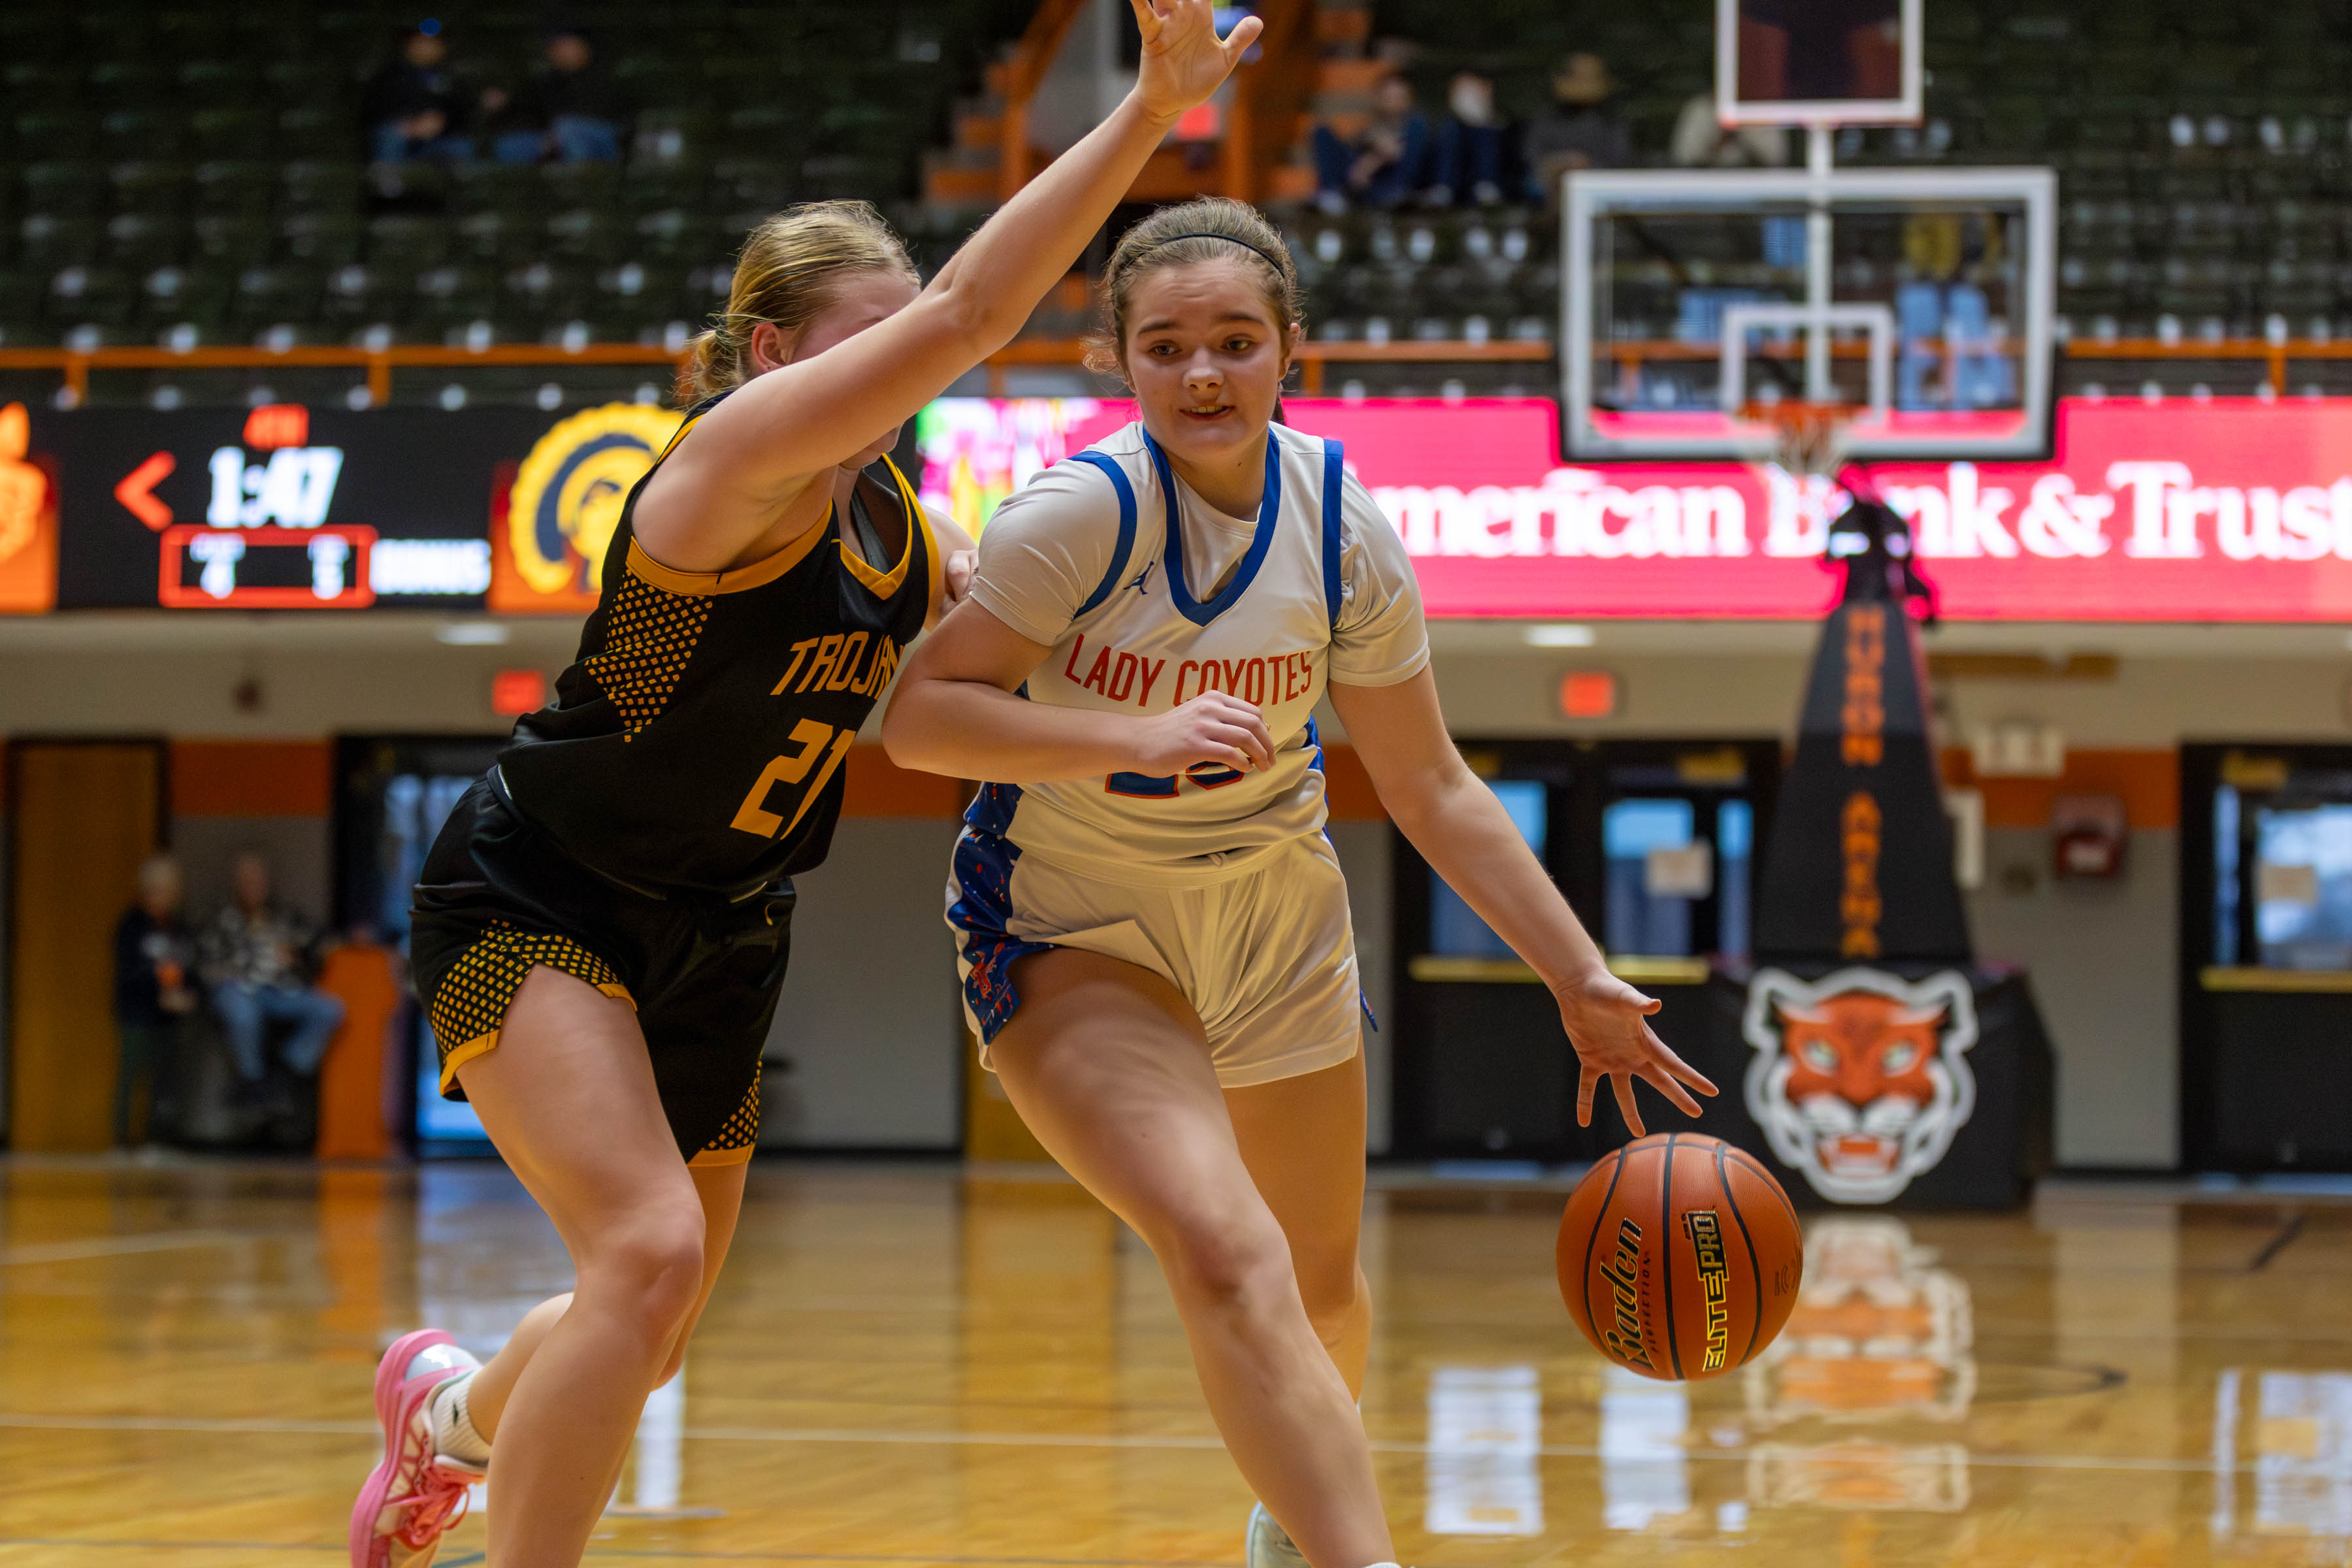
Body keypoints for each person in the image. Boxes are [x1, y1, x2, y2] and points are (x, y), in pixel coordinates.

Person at [347, 7, 1261, 1567]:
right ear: (774, 354)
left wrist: (1142, 725)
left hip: (722, 927)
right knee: (639, 1255)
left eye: (903, 347)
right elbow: (976, 308)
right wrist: (1148, 118)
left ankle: (442, 1417)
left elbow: (942, 718)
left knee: (651, 1325)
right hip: (543, 892)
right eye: (869, 343)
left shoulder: (899, 521)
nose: (901, 374)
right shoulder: (722, 472)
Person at [883, 196, 1716, 1568]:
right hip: (1073, 918)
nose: (1202, 373)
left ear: (1289, 353)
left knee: (1320, 1288)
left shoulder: (1345, 530)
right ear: (1119, 363)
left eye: (1234, 341)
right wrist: (1125, 738)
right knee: (1226, 1251)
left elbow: (1433, 782)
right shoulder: (1078, 517)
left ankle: (1290, 1522)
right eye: (1165, 347)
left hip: (1273, 913)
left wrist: (1577, 974)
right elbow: (923, 719)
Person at [200, 853, 344, 1092]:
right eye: (247, 882)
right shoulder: (220, 918)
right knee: (240, 1008)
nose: (252, 888)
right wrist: (239, 967)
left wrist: (296, 956)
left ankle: (287, 1070)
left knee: (330, 1009)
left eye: (257, 882)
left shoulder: (282, 916)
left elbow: (319, 942)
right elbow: (205, 963)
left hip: (280, 990)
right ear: (236, 884)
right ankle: (253, 1080)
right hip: (238, 990)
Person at [112, 855, 195, 1148]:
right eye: (167, 888)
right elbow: (130, 969)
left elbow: (189, 965)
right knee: (131, 1076)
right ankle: (121, 1142)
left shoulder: (177, 926)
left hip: (169, 1018)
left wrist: (187, 993)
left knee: (165, 1081)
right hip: (138, 1014)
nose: (173, 895)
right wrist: (157, 987)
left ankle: (157, 1140)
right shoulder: (132, 924)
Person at [484, 29, 634, 165]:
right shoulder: (546, 81)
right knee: (508, 146)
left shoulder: (606, 76)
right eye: (555, 47)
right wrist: (502, 106)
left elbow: (622, 119)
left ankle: (578, 180)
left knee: (568, 129)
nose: (560, 52)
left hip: (603, 139)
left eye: (566, 46)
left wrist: (559, 133)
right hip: (553, 139)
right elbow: (527, 113)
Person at [1309, 73, 1433, 214]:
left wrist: (1371, 162)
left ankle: (1398, 194)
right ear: (1379, 98)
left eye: (1399, 97)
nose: (1394, 103)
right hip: (1363, 184)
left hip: (1394, 183)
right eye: (1388, 98)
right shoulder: (1371, 125)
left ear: (1409, 99)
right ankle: (1330, 194)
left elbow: (1395, 152)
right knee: (1322, 131)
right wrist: (1372, 145)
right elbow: (1353, 148)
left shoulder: (1416, 125)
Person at [1521, 52, 1632, 202]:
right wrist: (1558, 165)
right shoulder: (1545, 121)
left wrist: (1585, 166)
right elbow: (1531, 157)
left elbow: (1619, 162)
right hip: (1549, 187)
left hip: (1596, 187)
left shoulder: (1611, 124)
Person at [361, 24, 474, 164]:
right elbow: (373, 111)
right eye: (421, 42)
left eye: (433, 42)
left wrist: (440, 122)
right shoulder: (388, 75)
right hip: (397, 139)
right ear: (408, 45)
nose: (427, 47)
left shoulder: (450, 77)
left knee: (460, 146)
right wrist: (410, 125)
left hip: (435, 141)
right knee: (389, 136)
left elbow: (462, 111)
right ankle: (388, 184)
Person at [1431, 71, 1506, 206]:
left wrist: (1482, 117)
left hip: (1484, 185)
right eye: (1464, 91)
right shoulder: (1444, 126)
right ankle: (1444, 188)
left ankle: (1486, 184)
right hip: (1452, 182)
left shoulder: (1497, 123)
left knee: (1485, 131)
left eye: (1473, 92)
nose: (1468, 97)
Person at [1670, 91, 1789, 167]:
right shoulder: (1698, 109)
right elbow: (1686, 162)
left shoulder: (1762, 110)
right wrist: (1720, 143)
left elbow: (1776, 164)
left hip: (1756, 191)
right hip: (1708, 191)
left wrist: (1740, 137)